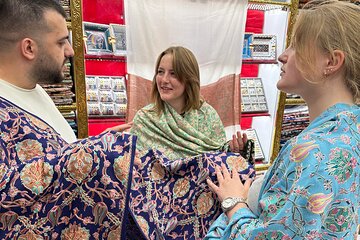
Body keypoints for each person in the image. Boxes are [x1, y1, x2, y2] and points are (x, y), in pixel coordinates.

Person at [205, 0, 360, 239]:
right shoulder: (348, 132)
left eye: (296, 45)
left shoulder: (316, 150)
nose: (282, 56)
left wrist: (233, 203)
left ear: (331, 61)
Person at [0, 1, 135, 239]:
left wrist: (94, 143)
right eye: (62, 42)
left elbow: (52, 152)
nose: (71, 51)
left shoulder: (35, 90)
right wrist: (90, 153)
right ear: (29, 48)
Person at [130, 46, 251, 160]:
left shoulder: (207, 115)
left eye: (173, 74)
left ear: (189, 78)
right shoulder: (145, 119)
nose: (164, 80)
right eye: (160, 72)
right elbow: (134, 169)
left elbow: (217, 157)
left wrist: (232, 149)